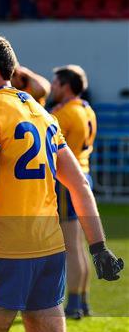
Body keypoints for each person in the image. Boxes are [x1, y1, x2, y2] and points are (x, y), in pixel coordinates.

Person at [0, 32, 123, 332]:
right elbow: (80, 184)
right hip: (50, 252)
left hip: (5, 251)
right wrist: (99, 247)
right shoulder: (43, 114)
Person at [50, 65, 97, 319]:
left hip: (68, 181)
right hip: (84, 174)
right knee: (78, 245)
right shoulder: (87, 109)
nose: (52, 87)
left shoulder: (64, 114)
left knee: (71, 246)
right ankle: (83, 302)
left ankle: (75, 304)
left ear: (66, 86)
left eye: (56, 83)